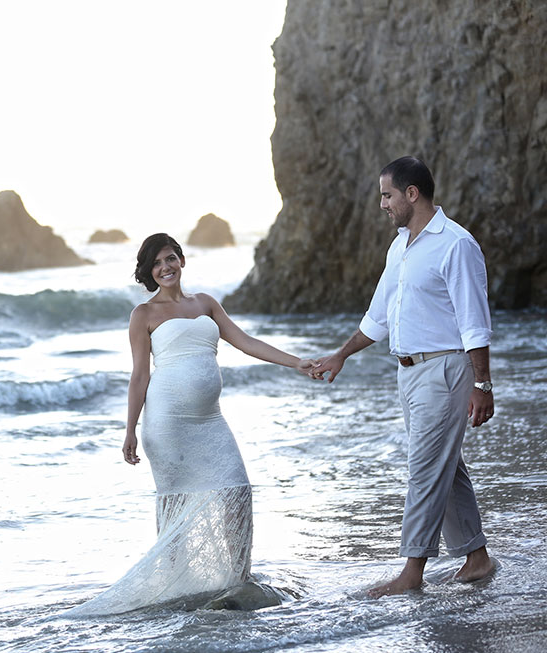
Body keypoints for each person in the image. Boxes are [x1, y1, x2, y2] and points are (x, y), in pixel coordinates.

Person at [65, 233, 315, 616]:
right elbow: (139, 376)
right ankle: (172, 588)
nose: (165, 267)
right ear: (149, 272)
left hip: (210, 422)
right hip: (167, 424)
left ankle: (237, 581)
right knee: (175, 506)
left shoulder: (206, 303)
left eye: (170, 258)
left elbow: (246, 342)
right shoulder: (143, 315)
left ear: (181, 260)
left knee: (237, 491)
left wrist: (297, 362)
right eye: (156, 264)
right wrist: (130, 430)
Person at [313, 156, 496, 598]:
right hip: (409, 373)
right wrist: (341, 355)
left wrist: (482, 384)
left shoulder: (456, 244)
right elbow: (378, 317)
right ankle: (477, 558)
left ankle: (411, 572)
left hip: (446, 369)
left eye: (387, 195)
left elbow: (474, 322)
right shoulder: (400, 247)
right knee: (444, 466)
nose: (382, 204)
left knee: (424, 468)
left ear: (412, 193)